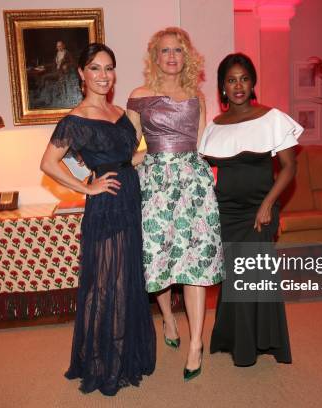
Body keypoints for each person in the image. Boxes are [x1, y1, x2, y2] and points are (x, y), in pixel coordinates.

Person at [40, 43, 155, 396]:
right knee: (105, 283)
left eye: (109, 68)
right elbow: (47, 163)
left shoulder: (119, 113)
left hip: (131, 200)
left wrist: (159, 152)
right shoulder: (75, 119)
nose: (103, 76)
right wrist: (86, 189)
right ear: (81, 73)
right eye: (95, 68)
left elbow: (127, 159)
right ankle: (102, 361)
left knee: (129, 279)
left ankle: (127, 355)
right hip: (105, 206)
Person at [126, 27, 223, 381]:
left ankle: (196, 343)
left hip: (192, 186)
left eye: (177, 51)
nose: (171, 57)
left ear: (187, 56)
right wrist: (145, 158)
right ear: (155, 56)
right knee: (159, 261)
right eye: (165, 50)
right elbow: (127, 146)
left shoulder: (197, 96)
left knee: (194, 264)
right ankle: (167, 317)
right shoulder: (138, 96)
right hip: (154, 186)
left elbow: (199, 145)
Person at [198, 53, 300, 366]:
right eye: (231, 80)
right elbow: (203, 172)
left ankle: (259, 344)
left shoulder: (271, 118)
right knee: (234, 278)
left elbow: (289, 167)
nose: (238, 85)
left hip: (260, 210)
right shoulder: (214, 127)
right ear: (222, 88)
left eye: (243, 78)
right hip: (226, 212)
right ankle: (236, 341)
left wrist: (268, 204)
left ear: (252, 82)